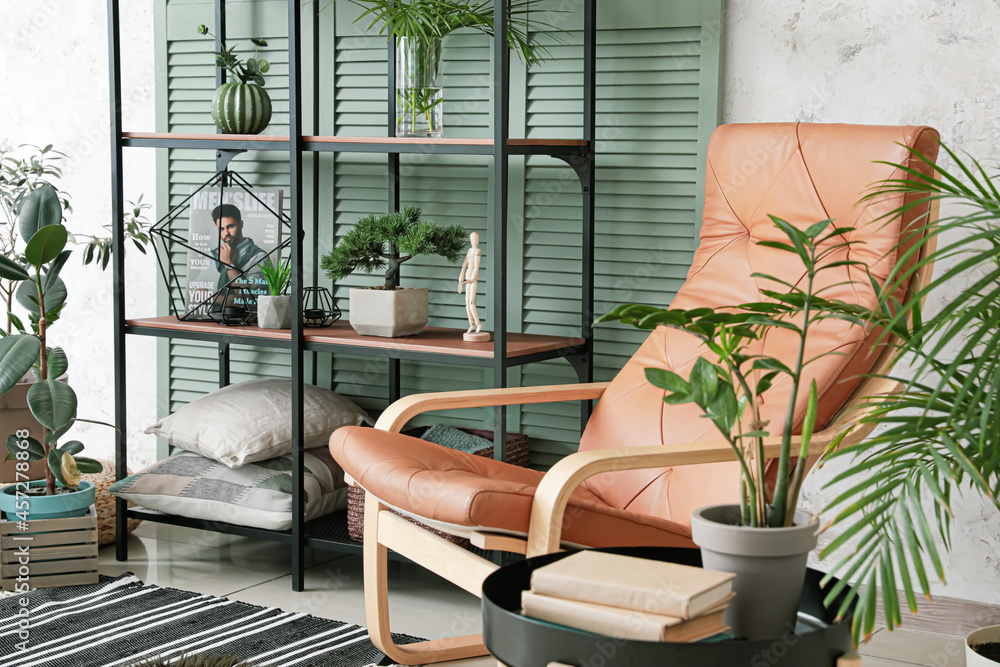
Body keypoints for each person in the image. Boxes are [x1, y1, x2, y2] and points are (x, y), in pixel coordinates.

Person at [211, 203, 268, 292]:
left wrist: (228, 264)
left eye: (230, 226)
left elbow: (251, 298)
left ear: (241, 224)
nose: (226, 233)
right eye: (221, 229)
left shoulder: (259, 256)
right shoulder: (216, 253)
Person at [457, 231, 483, 334]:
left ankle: (478, 323)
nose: (474, 240)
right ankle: (471, 324)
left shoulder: (478, 251)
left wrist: (471, 279)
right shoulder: (469, 251)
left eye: (475, 238)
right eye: (472, 238)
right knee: (467, 303)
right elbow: (464, 265)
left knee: (472, 302)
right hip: (468, 277)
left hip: (473, 279)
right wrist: (461, 279)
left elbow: (476, 267)